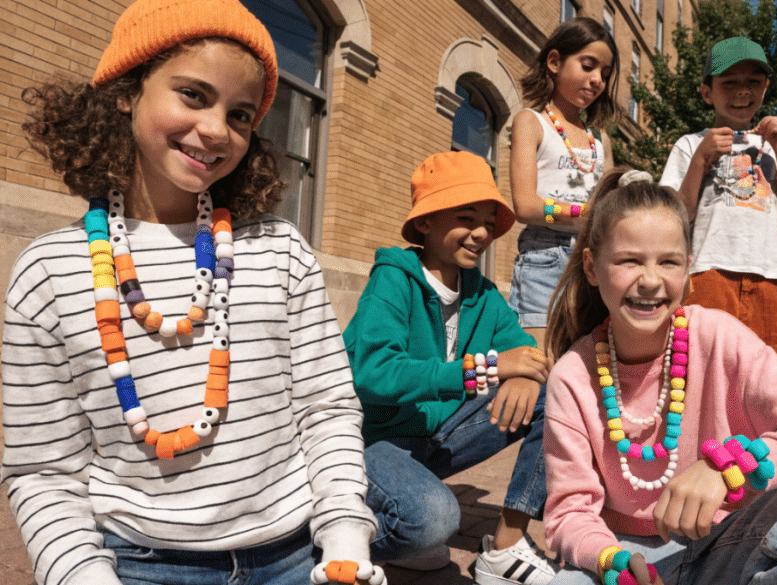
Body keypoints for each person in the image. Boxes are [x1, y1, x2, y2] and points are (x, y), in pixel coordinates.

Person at [1, 1, 383, 584]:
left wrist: (346, 538)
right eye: (194, 96)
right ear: (129, 88)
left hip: (292, 553)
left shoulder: (280, 251)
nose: (214, 130)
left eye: (241, 115)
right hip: (139, 564)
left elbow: (325, 408)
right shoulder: (50, 272)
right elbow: (42, 469)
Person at [542, 167, 777, 585]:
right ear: (592, 267)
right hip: (629, 556)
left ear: (688, 271)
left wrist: (730, 468)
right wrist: (609, 559)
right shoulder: (572, 376)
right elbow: (570, 513)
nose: (651, 280)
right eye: (629, 261)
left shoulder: (719, 337)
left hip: (731, 542)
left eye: (668, 262)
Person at [342, 151, 560, 585]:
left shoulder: (482, 293)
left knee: (555, 398)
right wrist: (491, 368)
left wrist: (522, 372)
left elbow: (526, 352)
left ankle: (505, 544)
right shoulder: (393, 279)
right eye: (466, 217)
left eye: (488, 223)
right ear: (425, 222)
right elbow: (373, 373)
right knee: (433, 519)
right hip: (370, 442)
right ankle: (340, 536)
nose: (481, 233)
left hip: (435, 439)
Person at [659, 37, 777, 361]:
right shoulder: (690, 144)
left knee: (769, 377)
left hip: (770, 273)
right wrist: (700, 160)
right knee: (705, 369)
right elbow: (677, 216)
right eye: (729, 82)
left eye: (753, 81)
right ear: (707, 92)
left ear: (765, 87)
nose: (742, 91)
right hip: (708, 272)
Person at [509, 16, 618, 353]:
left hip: (592, 265)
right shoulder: (531, 122)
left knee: (589, 363)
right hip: (543, 257)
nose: (597, 79)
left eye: (605, 73)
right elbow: (525, 207)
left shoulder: (601, 141)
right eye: (587, 66)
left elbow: (610, 206)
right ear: (554, 61)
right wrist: (578, 214)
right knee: (543, 364)